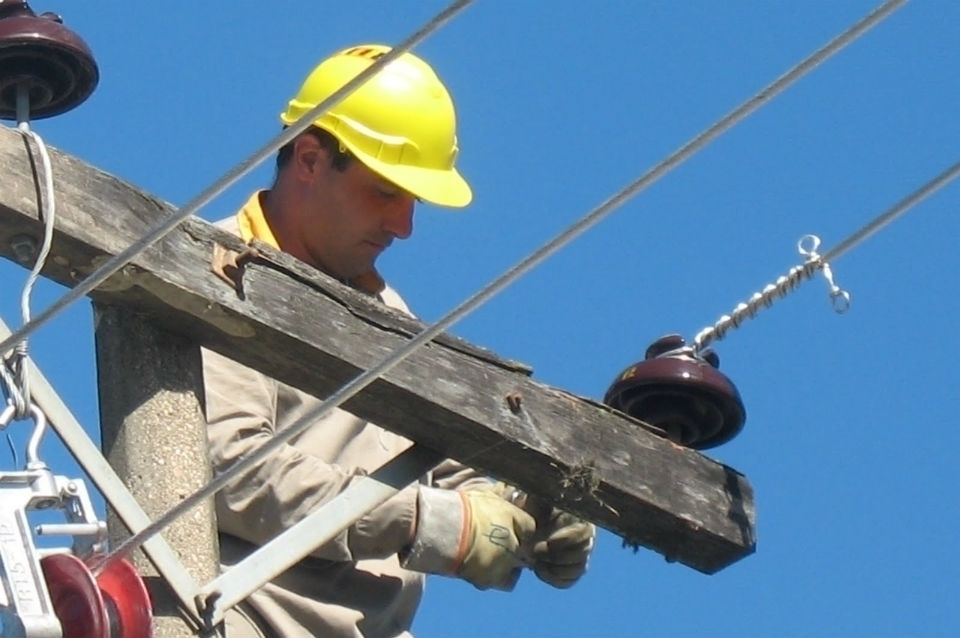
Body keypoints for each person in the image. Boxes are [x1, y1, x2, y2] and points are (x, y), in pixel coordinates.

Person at [201, 44, 596, 638]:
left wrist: (523, 510)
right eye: (386, 192)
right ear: (309, 158)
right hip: (239, 621)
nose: (404, 226)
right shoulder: (212, 272)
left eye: (414, 202)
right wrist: (425, 522)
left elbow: (446, 471)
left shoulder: (389, 315)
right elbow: (226, 469)